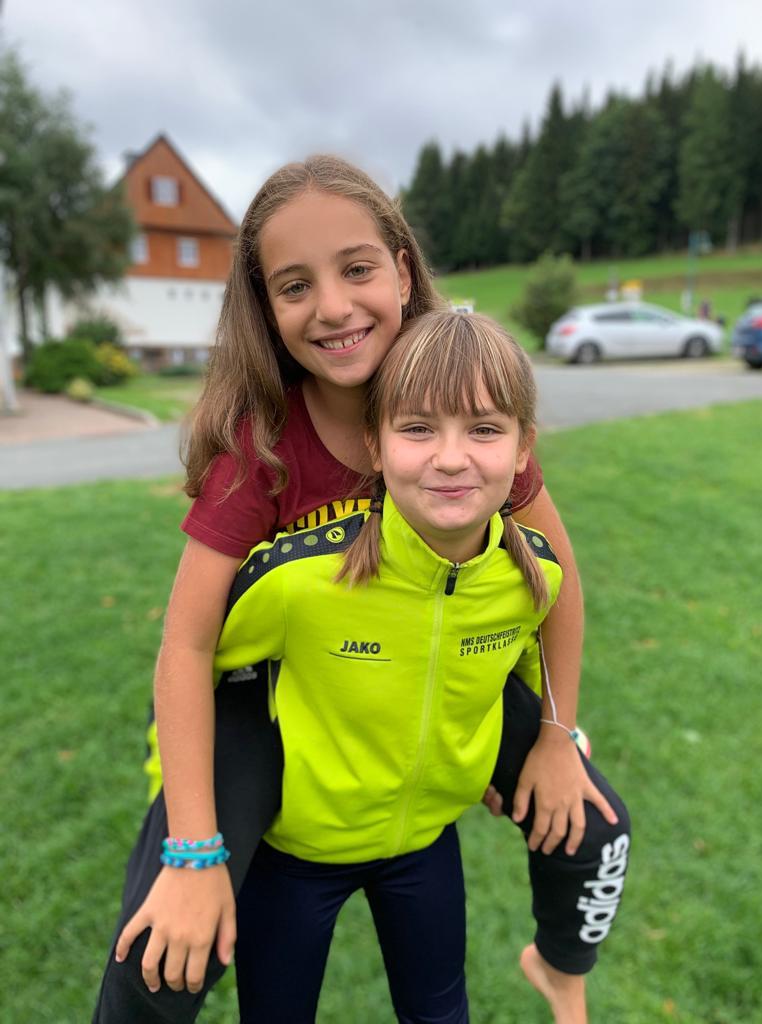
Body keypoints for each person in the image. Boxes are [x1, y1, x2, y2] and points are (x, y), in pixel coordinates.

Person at [93, 157, 627, 1024]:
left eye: (357, 268)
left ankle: (562, 972)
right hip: (264, 697)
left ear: (403, 272)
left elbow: (555, 586)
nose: (334, 307)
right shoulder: (262, 447)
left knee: (594, 822)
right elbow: (188, 645)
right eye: (295, 285)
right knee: (158, 954)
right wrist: (193, 850)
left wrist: (554, 734)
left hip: (426, 658)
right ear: (266, 307)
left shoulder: (464, 418)